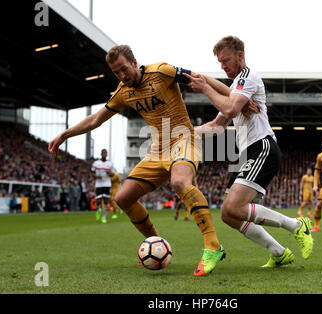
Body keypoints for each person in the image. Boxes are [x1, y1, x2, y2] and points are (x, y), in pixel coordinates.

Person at [48, 45, 228, 276]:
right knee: (123, 198)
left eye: (124, 69)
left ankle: (213, 245)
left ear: (134, 62)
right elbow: (95, 119)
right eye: (116, 73)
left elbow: (201, 79)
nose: (122, 76)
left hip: (184, 139)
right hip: (157, 150)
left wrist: (234, 97)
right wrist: (64, 134)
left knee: (180, 182)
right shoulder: (123, 91)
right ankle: (156, 244)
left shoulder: (161, 72)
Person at [188, 35, 313, 267]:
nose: (223, 66)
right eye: (219, 63)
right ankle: (279, 252)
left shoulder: (248, 77)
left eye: (225, 61)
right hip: (247, 153)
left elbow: (231, 108)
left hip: (262, 147)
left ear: (240, 56)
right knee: (229, 214)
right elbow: (216, 126)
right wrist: (186, 133)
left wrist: (205, 86)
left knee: (235, 207)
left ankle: (298, 226)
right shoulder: (236, 87)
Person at [91, 149, 115, 223]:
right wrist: (96, 176)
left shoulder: (110, 164)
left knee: (106, 201)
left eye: (105, 153)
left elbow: (113, 174)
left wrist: (109, 173)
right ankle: (98, 210)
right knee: (98, 201)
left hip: (107, 184)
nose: (104, 154)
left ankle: (104, 217)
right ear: (101, 154)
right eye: (103, 153)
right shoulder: (96, 163)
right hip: (98, 184)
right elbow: (92, 172)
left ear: (107, 155)